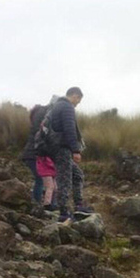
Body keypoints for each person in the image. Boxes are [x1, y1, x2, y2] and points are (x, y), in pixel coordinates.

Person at [47, 87, 91, 222]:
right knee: (64, 180)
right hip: (62, 148)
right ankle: (64, 212)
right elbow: (69, 128)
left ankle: (78, 205)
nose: (78, 103)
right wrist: (75, 150)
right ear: (74, 95)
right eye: (78, 100)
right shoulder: (67, 107)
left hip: (56, 147)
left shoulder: (56, 106)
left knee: (77, 175)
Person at [21, 96, 56, 203]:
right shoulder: (47, 115)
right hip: (35, 154)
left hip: (32, 153)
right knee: (41, 178)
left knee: (41, 179)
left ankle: (42, 203)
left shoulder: (40, 113)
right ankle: (39, 203)